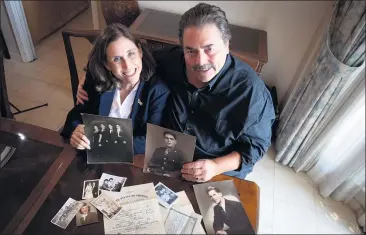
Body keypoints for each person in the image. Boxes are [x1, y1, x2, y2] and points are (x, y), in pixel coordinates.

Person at [75, 3, 275, 181]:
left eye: (209, 49)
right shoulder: (170, 60)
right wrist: (90, 75)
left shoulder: (252, 93)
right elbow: (126, 56)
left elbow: (254, 148)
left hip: (213, 168)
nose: (201, 61)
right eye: (191, 51)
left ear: (227, 44)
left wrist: (215, 166)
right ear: (182, 48)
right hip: (164, 155)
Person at [60, 23, 171, 155]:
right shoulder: (97, 78)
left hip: (132, 159)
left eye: (131, 54)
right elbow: (75, 115)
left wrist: (104, 142)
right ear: (106, 64)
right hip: (94, 156)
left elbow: (153, 140)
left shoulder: (157, 91)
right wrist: (76, 131)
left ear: (140, 51)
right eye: (117, 59)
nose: (127, 65)